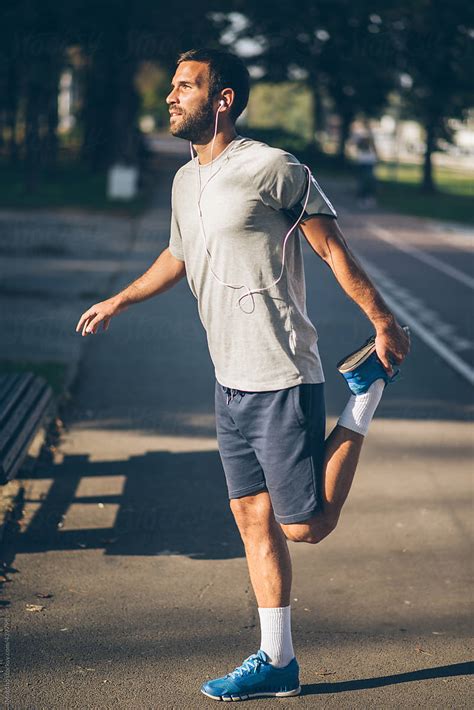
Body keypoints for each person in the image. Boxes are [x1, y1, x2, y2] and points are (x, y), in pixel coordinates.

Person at [75, 48, 410, 702]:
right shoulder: (184, 180)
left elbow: (331, 248)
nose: (170, 97)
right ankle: (277, 661)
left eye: (184, 86)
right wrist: (121, 298)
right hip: (228, 380)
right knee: (252, 518)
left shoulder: (273, 168)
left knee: (304, 526)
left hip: (280, 372)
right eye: (171, 85)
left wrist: (384, 323)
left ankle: (364, 398)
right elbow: (178, 254)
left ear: (221, 98)